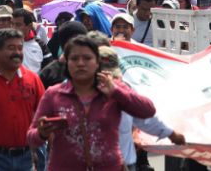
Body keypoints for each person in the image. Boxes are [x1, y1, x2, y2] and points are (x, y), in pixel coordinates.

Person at [27, 35, 156, 170]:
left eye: (87, 58)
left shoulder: (113, 88)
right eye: (74, 58)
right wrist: (41, 133)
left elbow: (148, 110)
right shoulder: (54, 94)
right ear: (66, 62)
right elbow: (31, 138)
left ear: (97, 62)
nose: (81, 63)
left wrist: (116, 91)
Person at [0, 28, 46, 171]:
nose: (17, 53)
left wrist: (38, 150)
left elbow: (43, 114)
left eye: (19, 48)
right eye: (11, 48)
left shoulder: (32, 79)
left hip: (25, 157)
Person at [12, 8, 53, 72]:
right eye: (12, 24)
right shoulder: (5, 44)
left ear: (29, 26)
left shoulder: (40, 45)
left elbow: (49, 70)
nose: (14, 28)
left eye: (18, 25)